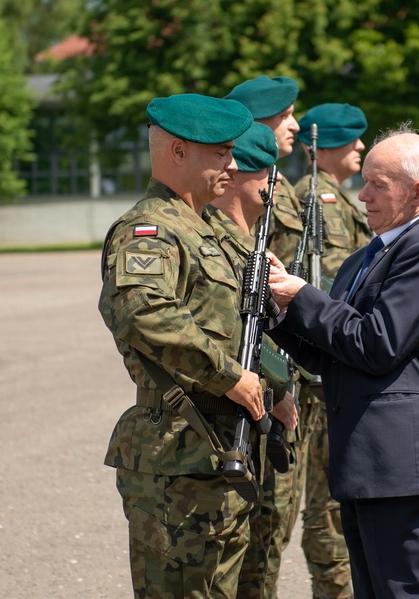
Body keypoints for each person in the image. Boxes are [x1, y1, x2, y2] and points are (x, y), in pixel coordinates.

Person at [266, 127, 419, 599]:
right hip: (370, 466)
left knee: (409, 591)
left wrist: (304, 295)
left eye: (379, 184)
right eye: (365, 181)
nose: (363, 195)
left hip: (405, 468)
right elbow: (330, 353)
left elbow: (377, 343)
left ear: (417, 192)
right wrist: (278, 310)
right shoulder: (368, 256)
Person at [99, 93, 266, 598]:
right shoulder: (149, 229)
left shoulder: (209, 228)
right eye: (220, 152)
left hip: (223, 449)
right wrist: (230, 376)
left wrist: (272, 385)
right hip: (176, 460)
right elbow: (143, 312)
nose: (232, 164)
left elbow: (246, 322)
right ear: (177, 151)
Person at [226, 75, 345, 599]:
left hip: (296, 381)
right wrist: (275, 385)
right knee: (260, 532)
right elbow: (248, 307)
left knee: (282, 523)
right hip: (266, 388)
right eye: (286, 115)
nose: (296, 124)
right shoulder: (245, 195)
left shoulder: (282, 191)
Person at [282, 102, 373, 599]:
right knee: (326, 504)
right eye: (352, 138)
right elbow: (334, 285)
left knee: (331, 502)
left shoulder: (335, 197)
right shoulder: (321, 200)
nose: (360, 146)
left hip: (328, 362)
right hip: (318, 373)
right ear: (329, 145)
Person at [203, 121, 285, 599]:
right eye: (266, 175)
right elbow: (150, 322)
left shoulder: (239, 242)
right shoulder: (172, 232)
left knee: (252, 564)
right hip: (199, 436)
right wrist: (242, 379)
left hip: (245, 424)